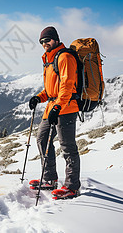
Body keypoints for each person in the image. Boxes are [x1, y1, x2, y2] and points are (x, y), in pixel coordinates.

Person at [29, 26, 80, 199]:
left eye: (48, 40)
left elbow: (66, 86)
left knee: (67, 147)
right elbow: (51, 90)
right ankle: (50, 178)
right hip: (53, 107)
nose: (45, 43)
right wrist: (38, 97)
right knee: (42, 139)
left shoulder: (64, 57)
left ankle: (72, 186)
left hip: (66, 108)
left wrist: (58, 107)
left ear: (56, 39)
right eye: (42, 41)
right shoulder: (49, 60)